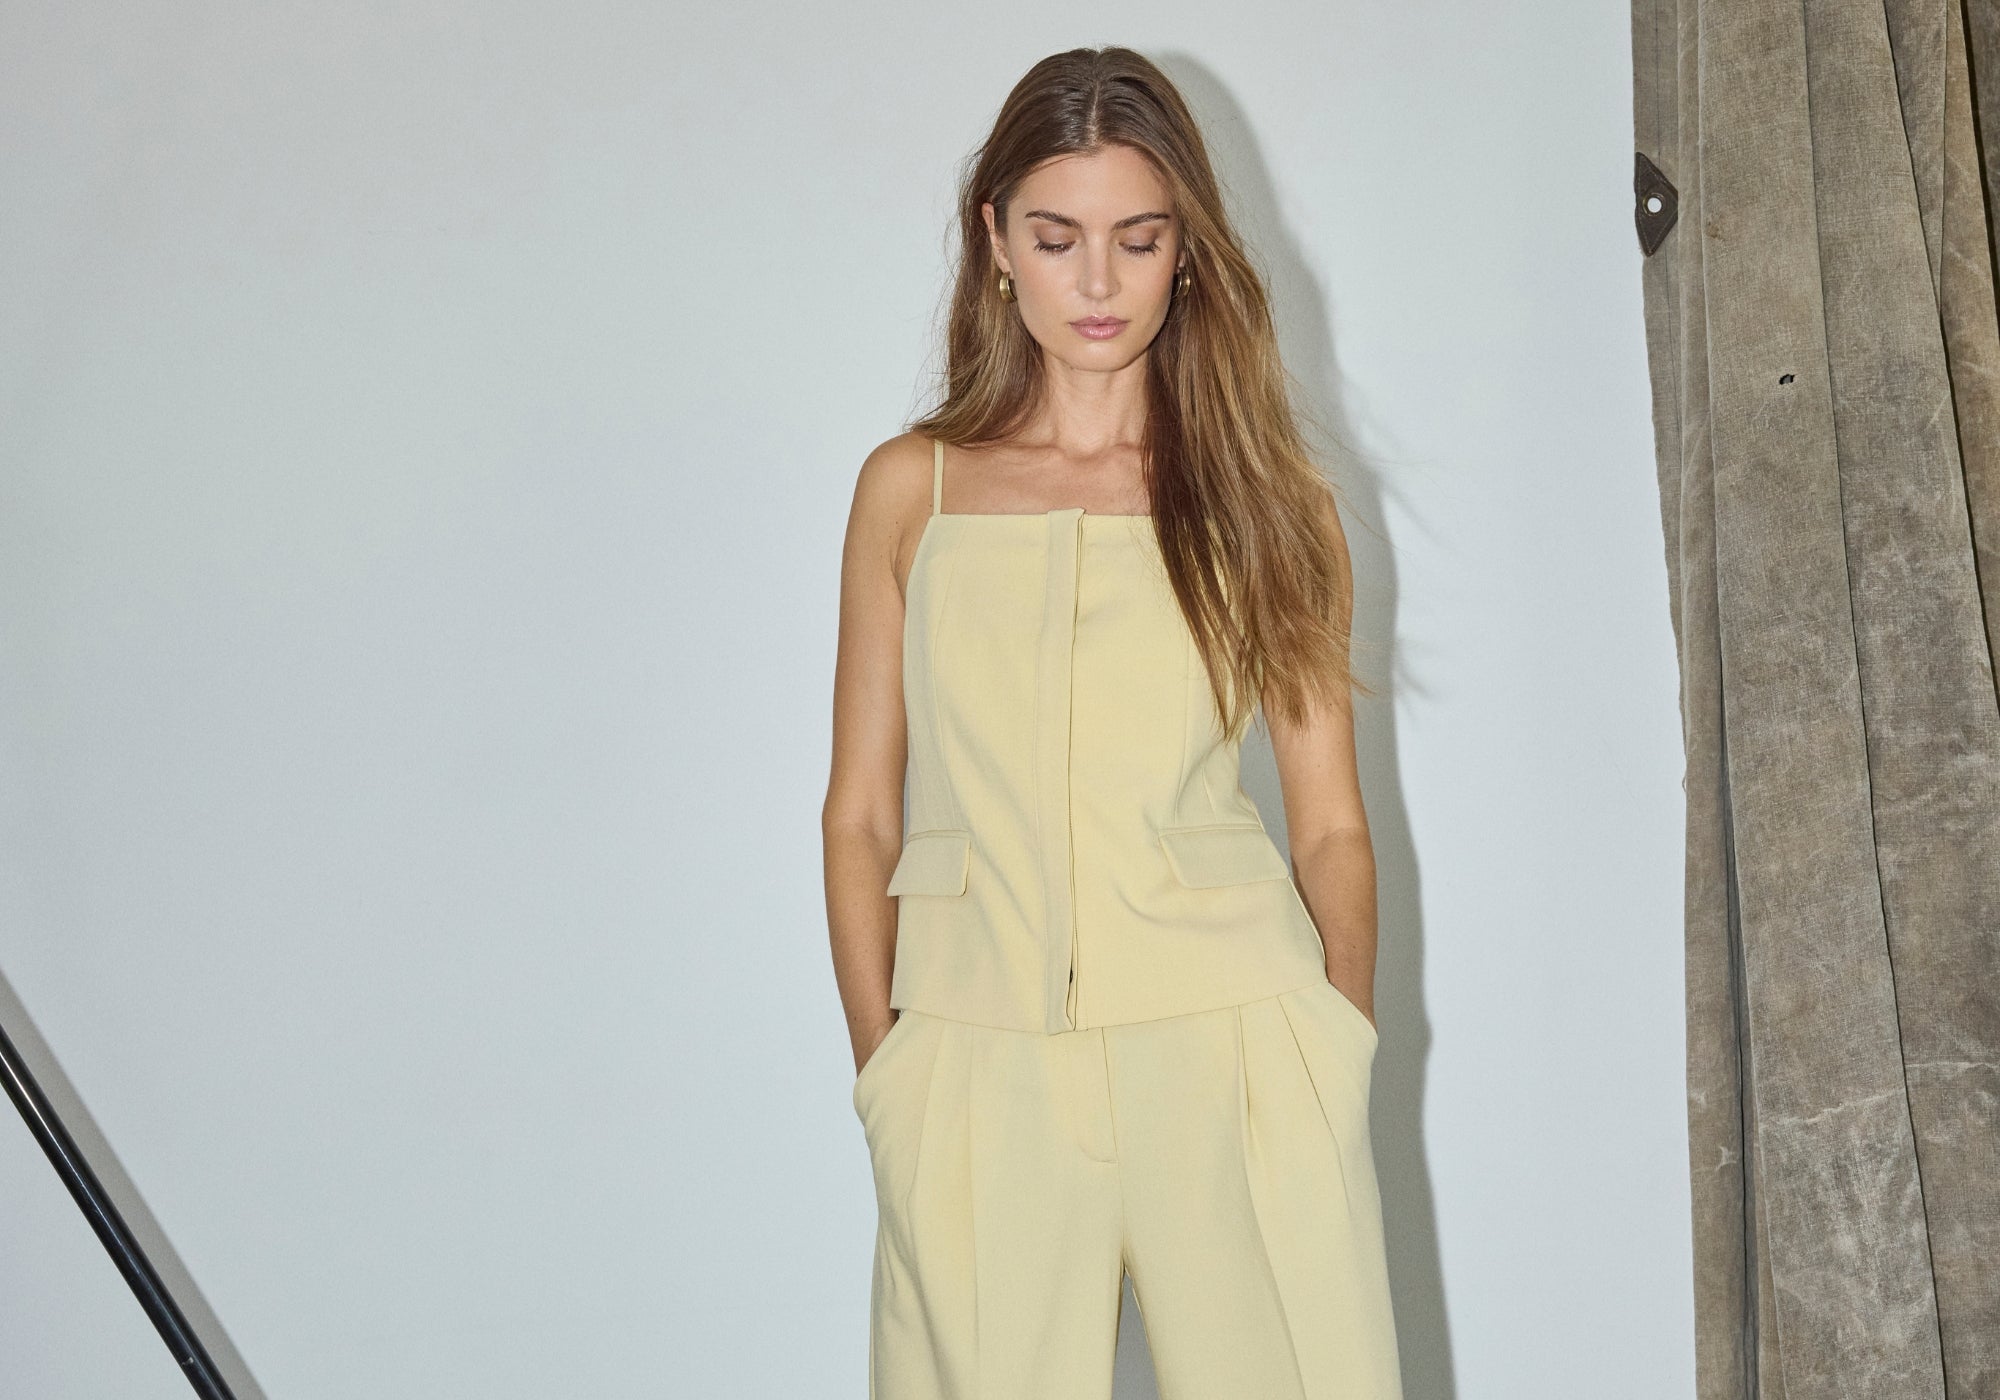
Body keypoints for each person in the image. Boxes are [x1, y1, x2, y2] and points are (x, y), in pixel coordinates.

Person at [822, 45, 1402, 1400]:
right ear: (995, 242)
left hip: (1234, 1038)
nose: (1097, 282)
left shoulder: (1270, 501)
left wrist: (1336, 1047)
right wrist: (887, 1071)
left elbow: (1329, 823)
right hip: (976, 1056)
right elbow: (860, 813)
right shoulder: (912, 490)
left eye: (1138, 240)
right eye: (1057, 238)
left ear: (1186, 250)